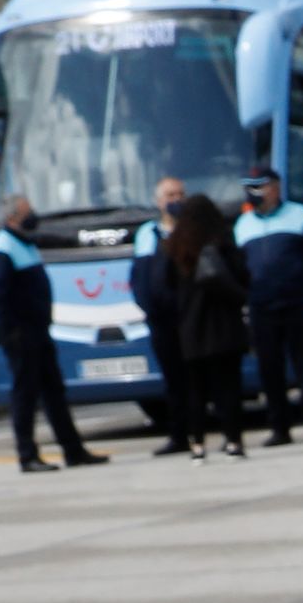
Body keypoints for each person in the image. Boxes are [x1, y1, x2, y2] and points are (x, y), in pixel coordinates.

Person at [0, 194, 105, 472]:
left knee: (54, 391)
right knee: (25, 394)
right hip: (21, 333)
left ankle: (73, 450)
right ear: (13, 217)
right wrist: (14, 331)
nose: (33, 215)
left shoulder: (24, 243)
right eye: (28, 211)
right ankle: (27, 455)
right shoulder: (4, 248)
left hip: (38, 330)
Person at [233, 167, 303, 446]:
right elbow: (239, 267)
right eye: (249, 187)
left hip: (299, 302)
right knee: (269, 368)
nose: (252, 193)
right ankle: (280, 428)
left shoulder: (300, 216)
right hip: (262, 306)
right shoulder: (243, 224)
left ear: (274, 188)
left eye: (258, 186)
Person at [157, 194, 251, 460]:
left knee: (196, 390)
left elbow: (165, 289)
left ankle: (197, 444)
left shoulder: (173, 247)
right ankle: (233, 440)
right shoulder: (222, 243)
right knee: (229, 387)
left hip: (190, 329)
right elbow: (242, 275)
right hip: (224, 325)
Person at [129, 174, 192, 452]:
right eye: (170, 195)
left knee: (198, 376)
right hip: (162, 321)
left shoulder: (194, 229)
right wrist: (150, 309)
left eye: (179, 194)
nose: (175, 200)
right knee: (174, 380)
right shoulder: (147, 234)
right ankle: (179, 435)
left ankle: (204, 430)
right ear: (158, 202)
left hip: (192, 318)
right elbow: (139, 277)